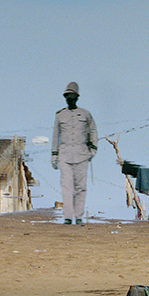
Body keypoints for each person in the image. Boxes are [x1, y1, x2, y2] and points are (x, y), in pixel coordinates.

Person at [51, 81, 98, 224]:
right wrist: (54, 155)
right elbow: (55, 136)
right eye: (67, 96)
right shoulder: (60, 115)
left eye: (72, 96)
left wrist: (93, 149)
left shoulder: (85, 114)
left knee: (80, 187)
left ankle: (78, 217)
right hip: (64, 154)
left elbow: (93, 130)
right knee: (66, 187)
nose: (69, 99)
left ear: (77, 98)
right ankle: (67, 217)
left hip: (82, 154)